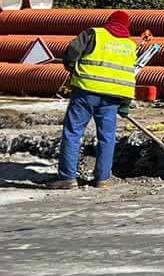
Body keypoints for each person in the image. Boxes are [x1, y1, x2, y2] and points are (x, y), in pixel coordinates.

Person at [47, 10, 139, 190]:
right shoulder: (130, 46)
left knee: (73, 133)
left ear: (109, 21)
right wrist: (126, 104)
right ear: (127, 26)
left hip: (85, 92)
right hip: (112, 99)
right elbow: (130, 76)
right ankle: (102, 179)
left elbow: (71, 53)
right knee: (107, 138)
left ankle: (67, 178)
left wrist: (72, 68)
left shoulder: (93, 33)